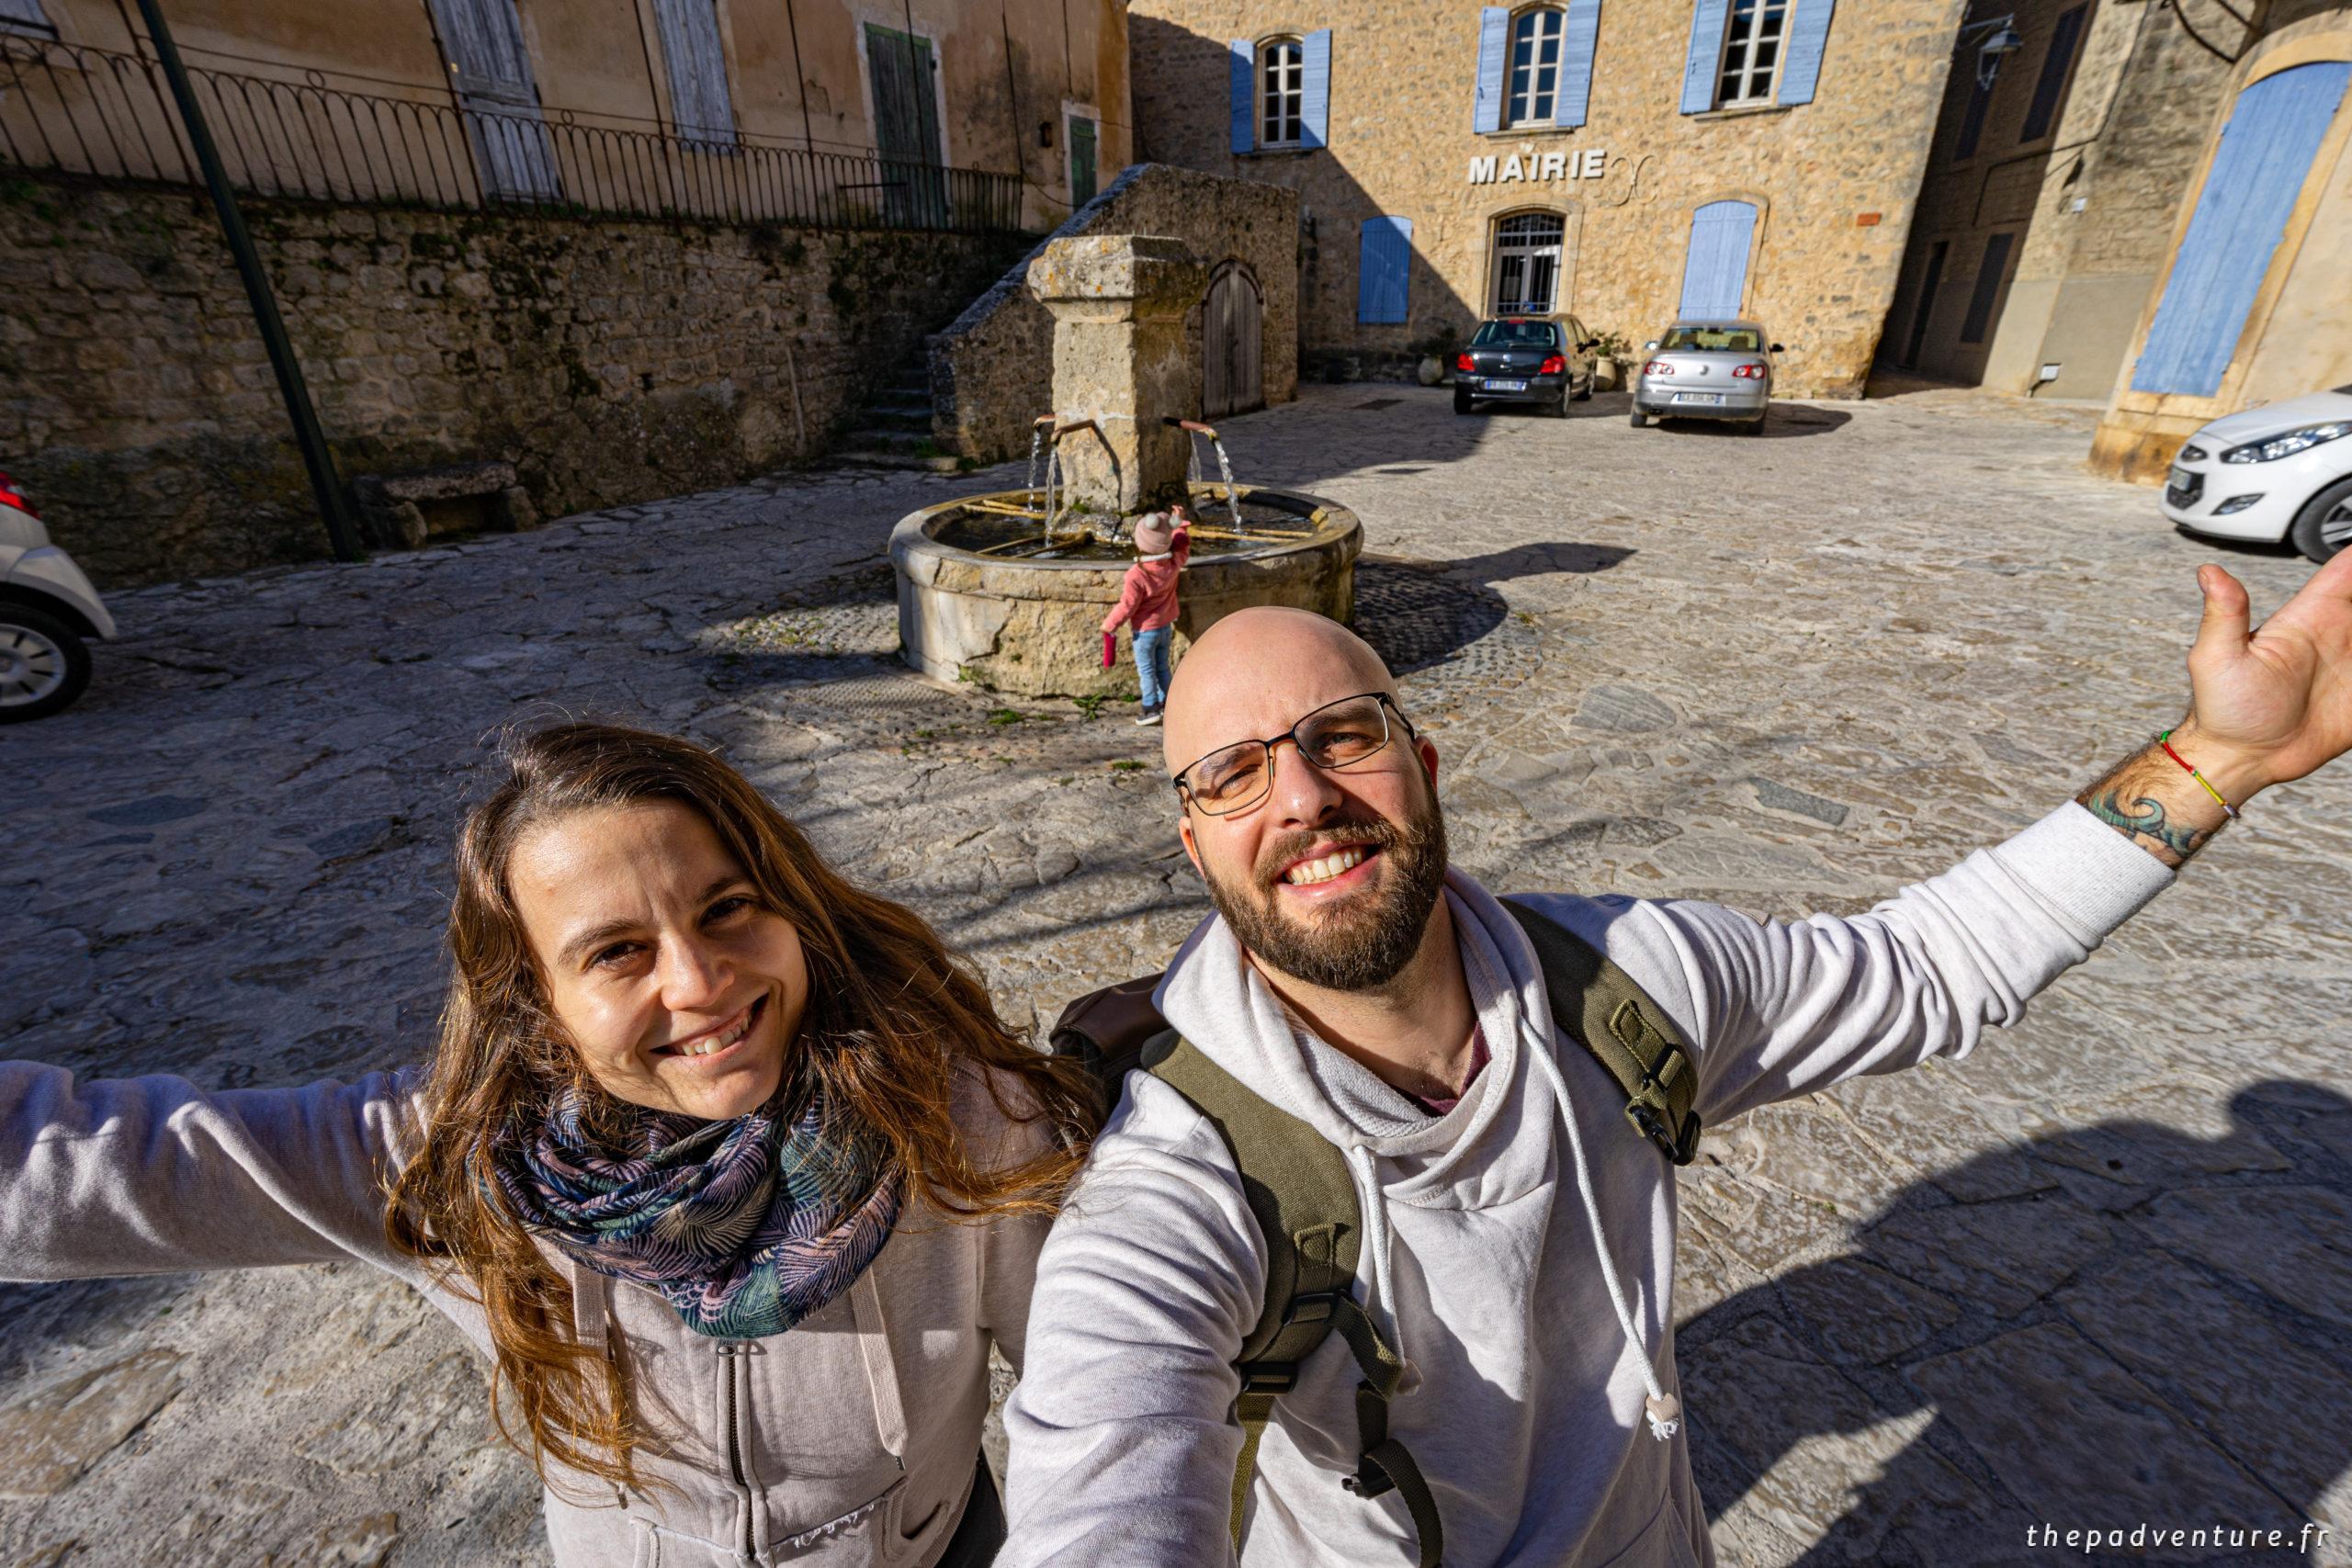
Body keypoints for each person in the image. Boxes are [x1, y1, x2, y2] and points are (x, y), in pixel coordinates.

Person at [1000, 555, 2352, 1567]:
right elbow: (1104, 1468)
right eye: (1230, 772)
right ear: (1193, 849)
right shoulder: (1176, 1190)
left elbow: (1929, 967)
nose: (1301, 796)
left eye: (1340, 735)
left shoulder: (1625, 982)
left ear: (1422, 758)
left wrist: (2214, 758)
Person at [1, 722, 1100, 1568]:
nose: (700, 983)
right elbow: (102, 1168)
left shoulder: (955, 1122)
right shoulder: (453, 1168)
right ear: (537, 1004)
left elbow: (1098, 1394)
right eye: (618, 951)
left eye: (726, 910)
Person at [1102, 504, 1193, 728]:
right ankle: (1171, 704)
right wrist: (1179, 523)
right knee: (1162, 666)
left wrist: (1110, 625)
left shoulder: (1137, 574)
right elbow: (1183, 546)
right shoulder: (1172, 564)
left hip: (1144, 632)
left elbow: (1128, 605)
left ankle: (1151, 707)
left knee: (1147, 670)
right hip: (1165, 627)